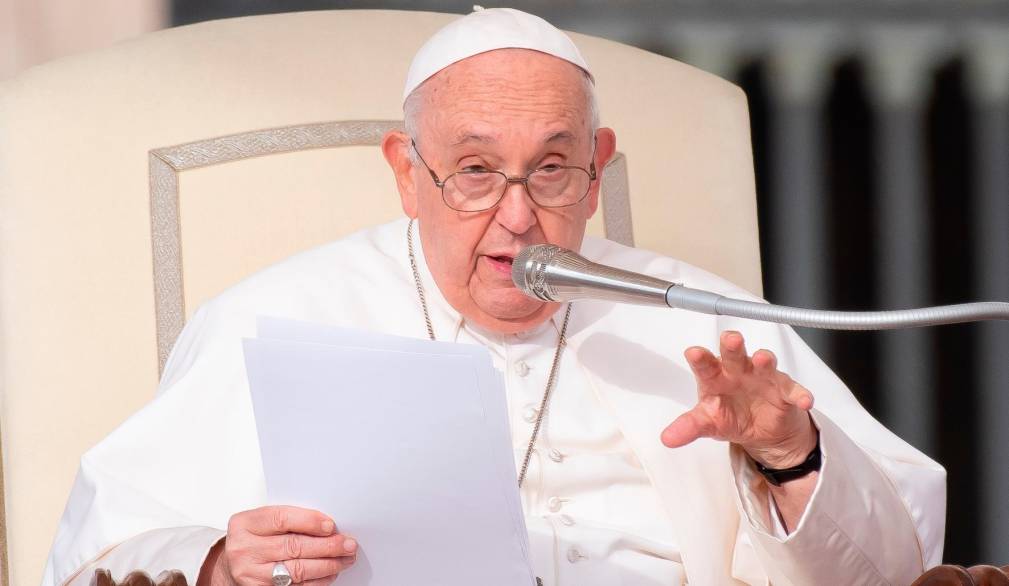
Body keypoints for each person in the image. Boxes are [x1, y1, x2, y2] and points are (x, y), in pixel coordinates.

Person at [43, 7, 945, 586]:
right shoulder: (269, 320)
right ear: (406, 173)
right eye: (473, 172)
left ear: (596, 174)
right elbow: (97, 556)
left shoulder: (703, 322)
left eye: (551, 169)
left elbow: (897, 566)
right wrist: (216, 566)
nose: (517, 217)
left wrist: (792, 453)